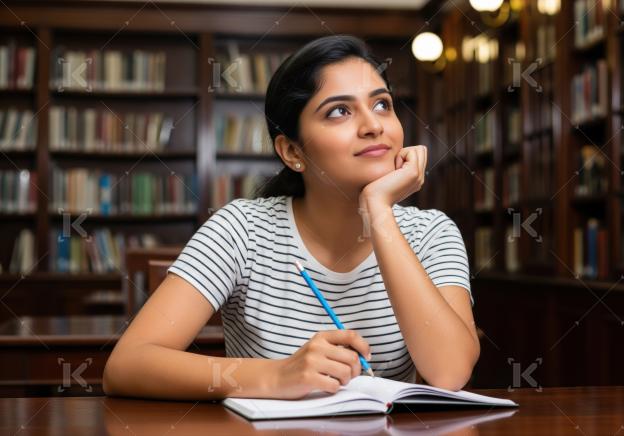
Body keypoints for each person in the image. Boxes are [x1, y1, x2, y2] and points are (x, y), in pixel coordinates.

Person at [103, 35, 478, 400]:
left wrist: (378, 211)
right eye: (339, 111)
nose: (373, 125)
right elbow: (127, 365)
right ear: (292, 151)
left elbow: (450, 372)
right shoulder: (242, 230)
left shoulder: (432, 233)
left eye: (382, 104)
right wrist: (278, 375)